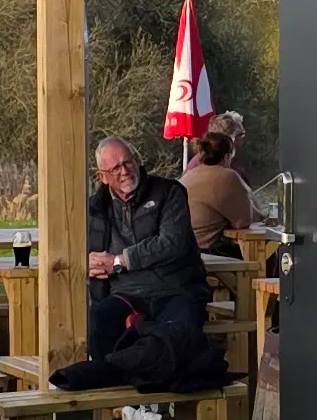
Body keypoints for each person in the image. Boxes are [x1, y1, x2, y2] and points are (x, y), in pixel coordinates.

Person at [54, 134, 218, 391]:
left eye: (128, 162)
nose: (125, 171)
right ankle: (126, 397)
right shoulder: (94, 208)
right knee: (97, 321)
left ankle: (132, 386)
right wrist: (86, 261)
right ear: (102, 176)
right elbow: (73, 248)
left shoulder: (169, 192)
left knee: (178, 334)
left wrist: (119, 261)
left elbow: (172, 243)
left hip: (176, 290)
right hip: (126, 294)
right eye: (116, 167)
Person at [182, 117, 256, 253]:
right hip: (206, 252)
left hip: (185, 250)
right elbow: (244, 221)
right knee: (262, 256)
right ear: (227, 156)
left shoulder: (190, 174)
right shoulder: (227, 176)